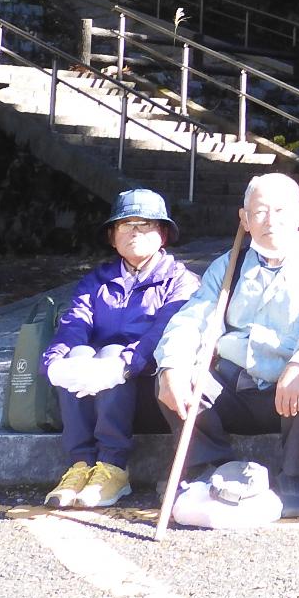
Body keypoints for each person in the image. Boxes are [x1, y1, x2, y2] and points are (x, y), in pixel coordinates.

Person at [152, 171, 299, 518]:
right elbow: (193, 317)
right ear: (243, 218)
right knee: (170, 378)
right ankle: (210, 470)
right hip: (234, 386)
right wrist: (173, 363)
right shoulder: (227, 266)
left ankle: (292, 478)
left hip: (292, 391)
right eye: (259, 211)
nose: (270, 221)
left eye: (280, 210)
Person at [40, 189, 199, 510]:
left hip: (147, 386)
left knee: (111, 354)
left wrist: (123, 364)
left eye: (145, 224)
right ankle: (81, 465)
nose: (135, 232)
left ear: (163, 234)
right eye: (125, 225)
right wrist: (55, 361)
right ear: (112, 237)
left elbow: (161, 333)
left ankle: (112, 466)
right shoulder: (96, 281)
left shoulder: (181, 281)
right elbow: (74, 324)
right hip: (92, 388)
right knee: (79, 356)